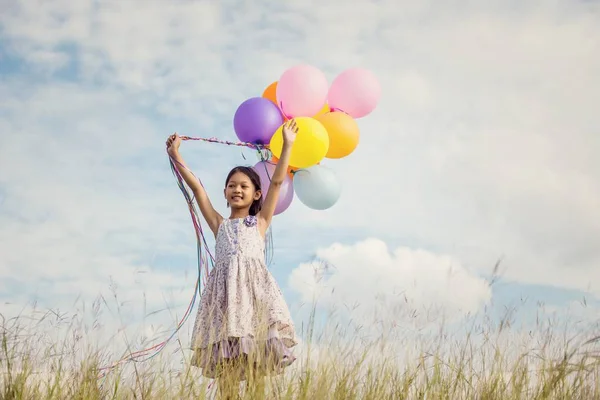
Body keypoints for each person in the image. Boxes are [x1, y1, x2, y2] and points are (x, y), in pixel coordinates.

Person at [166, 120, 299, 399]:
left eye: (244, 186)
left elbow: (277, 181)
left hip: (254, 301)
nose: (236, 190)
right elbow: (198, 189)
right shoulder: (219, 224)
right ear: (225, 193)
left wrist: (287, 145)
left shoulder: (260, 222)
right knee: (227, 369)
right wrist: (176, 155)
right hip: (225, 303)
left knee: (255, 367)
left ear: (256, 194)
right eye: (231, 186)